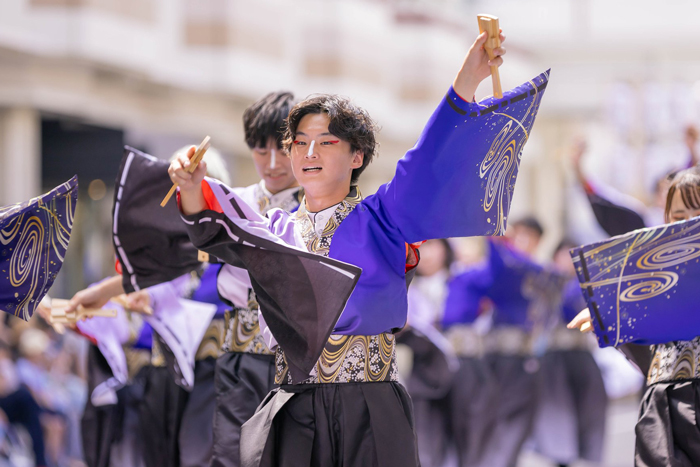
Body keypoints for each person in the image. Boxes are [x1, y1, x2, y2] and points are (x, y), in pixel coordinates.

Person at [172, 29, 527, 467]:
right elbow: (216, 232)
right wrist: (190, 186)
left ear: (356, 156)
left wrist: (465, 83)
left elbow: (426, 163)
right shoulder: (273, 228)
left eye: (326, 141)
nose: (308, 151)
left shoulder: (383, 217)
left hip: (370, 406)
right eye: (299, 142)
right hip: (292, 404)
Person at [569, 167, 700, 467]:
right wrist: (612, 320)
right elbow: (649, 360)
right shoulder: (648, 283)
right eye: (679, 217)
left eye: (698, 215)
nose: (688, 225)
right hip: (662, 410)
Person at [531, 239, 607, 467]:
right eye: (563, 256)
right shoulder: (542, 284)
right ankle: (560, 458)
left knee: (587, 411)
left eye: (573, 257)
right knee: (558, 414)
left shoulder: (587, 287)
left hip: (581, 356)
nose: (567, 261)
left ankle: (576, 456)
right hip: (554, 358)